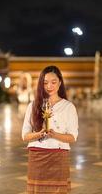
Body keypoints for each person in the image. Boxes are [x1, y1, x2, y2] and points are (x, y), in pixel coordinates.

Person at [22, 65, 79, 194]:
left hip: (58, 156)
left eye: (53, 82)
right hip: (37, 156)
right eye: (45, 82)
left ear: (60, 82)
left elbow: (73, 137)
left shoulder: (68, 107)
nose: (49, 86)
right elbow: (24, 135)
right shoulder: (33, 105)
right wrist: (38, 134)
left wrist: (54, 135)